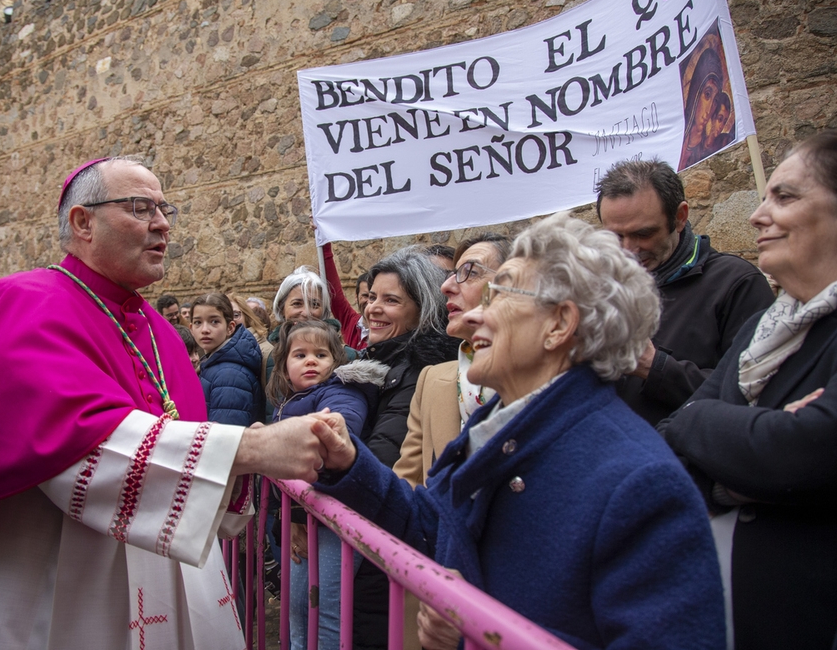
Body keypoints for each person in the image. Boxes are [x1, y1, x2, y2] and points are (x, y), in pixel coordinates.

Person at [0, 156, 334, 650]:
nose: (161, 223)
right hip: (47, 569)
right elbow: (66, 441)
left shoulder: (159, 332)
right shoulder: (24, 301)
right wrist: (250, 448)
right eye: (140, 207)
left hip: (158, 562)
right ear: (83, 222)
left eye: (164, 209)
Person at [313, 212, 726, 650]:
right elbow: (439, 525)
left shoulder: (641, 484)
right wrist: (350, 462)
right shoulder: (500, 427)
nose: (474, 318)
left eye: (499, 295)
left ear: (559, 325)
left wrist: (477, 632)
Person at [659, 131, 837, 650]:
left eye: (784, 197)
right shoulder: (764, 326)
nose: (758, 216)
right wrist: (743, 453)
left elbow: (805, 451)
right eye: (764, 197)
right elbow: (671, 432)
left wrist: (704, 422)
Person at [596, 159, 774, 425]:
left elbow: (757, 397)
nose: (628, 250)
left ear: (679, 217)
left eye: (643, 233)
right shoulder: (598, 287)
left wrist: (653, 366)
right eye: (616, 237)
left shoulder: (737, 284)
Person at [353, 244, 459, 649]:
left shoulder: (417, 371)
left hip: (393, 548)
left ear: (423, 309)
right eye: (372, 297)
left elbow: (382, 459)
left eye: (391, 300)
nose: (373, 309)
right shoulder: (383, 363)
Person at [265, 320, 386, 650]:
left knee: (327, 608)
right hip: (305, 517)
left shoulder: (340, 391)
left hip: (337, 519)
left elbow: (340, 426)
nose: (310, 361)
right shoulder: (290, 401)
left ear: (336, 361)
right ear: (284, 364)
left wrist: (269, 443)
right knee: (299, 603)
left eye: (320, 354)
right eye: (300, 354)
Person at [393, 233, 510, 488]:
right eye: (452, 274)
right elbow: (406, 489)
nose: (446, 287)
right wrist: (350, 463)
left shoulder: (547, 381)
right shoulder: (431, 380)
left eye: (470, 272)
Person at [191, 292, 265, 426]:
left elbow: (224, 436)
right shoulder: (211, 363)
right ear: (191, 328)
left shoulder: (229, 375)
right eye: (198, 322)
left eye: (214, 322)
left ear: (230, 327)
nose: (205, 329)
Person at [320, 242, 369, 349]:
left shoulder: (390, 330)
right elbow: (333, 292)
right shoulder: (350, 321)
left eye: (374, 296)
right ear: (356, 297)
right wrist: (324, 244)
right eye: (365, 295)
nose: (369, 301)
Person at [229, 293, 272, 387]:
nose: (231, 320)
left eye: (236, 315)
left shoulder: (266, 351)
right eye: (225, 316)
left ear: (247, 317)